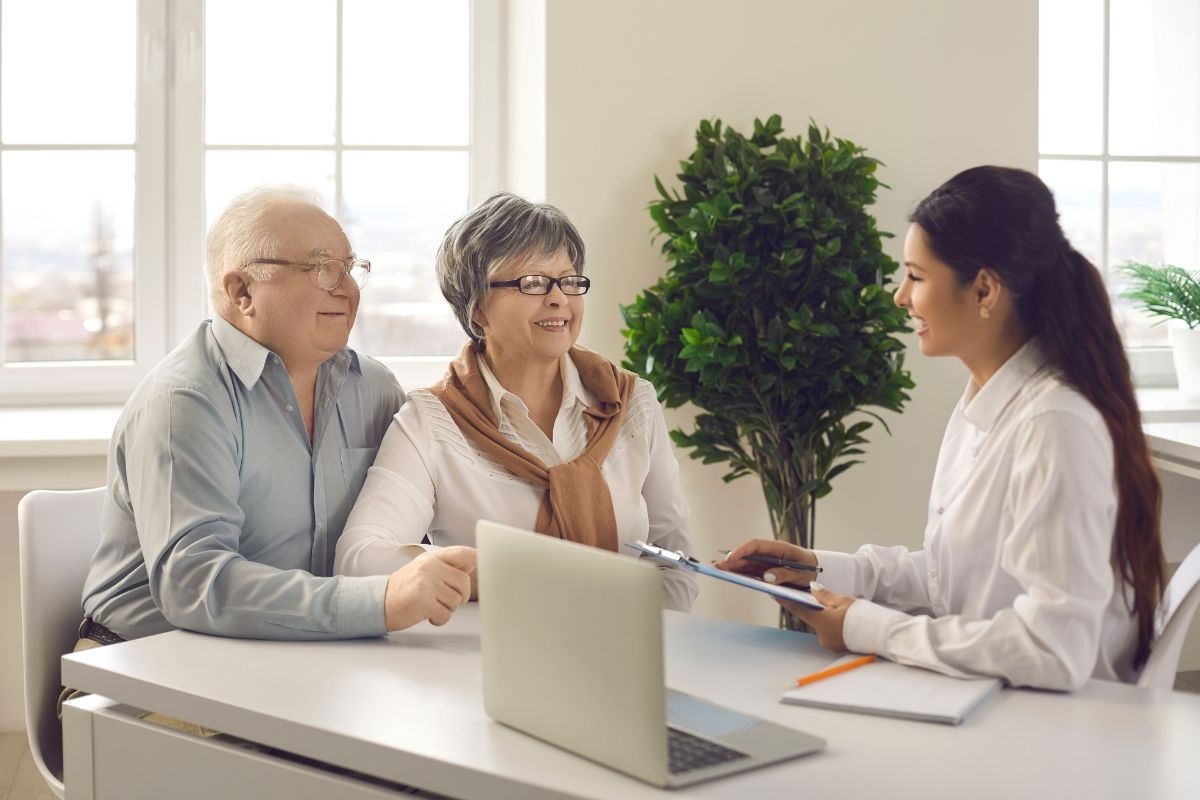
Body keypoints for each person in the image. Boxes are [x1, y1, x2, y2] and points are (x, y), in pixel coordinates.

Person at [718, 166, 1166, 690]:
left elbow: (1052, 649)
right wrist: (820, 570)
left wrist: (865, 626)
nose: (900, 297)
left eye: (916, 276)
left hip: (1056, 730)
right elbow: (954, 579)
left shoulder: (1053, 424)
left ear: (983, 290)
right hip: (998, 703)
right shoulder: (985, 403)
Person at [79, 186, 476, 648]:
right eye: (321, 268)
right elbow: (195, 585)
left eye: (349, 269)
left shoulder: (374, 388)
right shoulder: (185, 401)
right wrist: (381, 600)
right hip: (147, 658)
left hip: (299, 651)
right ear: (242, 290)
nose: (346, 289)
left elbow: (401, 529)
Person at [335, 192, 698, 610]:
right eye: (533, 282)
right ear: (477, 310)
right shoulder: (432, 420)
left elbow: (675, 559)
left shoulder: (633, 403)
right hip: (485, 661)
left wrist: (651, 644)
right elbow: (359, 558)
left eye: (569, 279)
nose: (559, 297)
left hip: (635, 655)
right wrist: (490, 575)